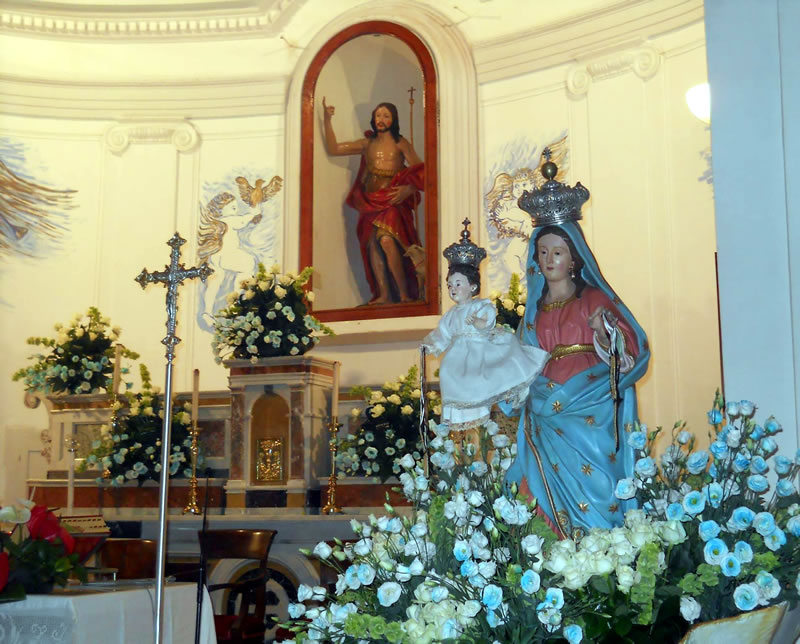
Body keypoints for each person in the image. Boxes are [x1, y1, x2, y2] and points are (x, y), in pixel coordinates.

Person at [506, 222, 650, 538]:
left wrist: (604, 333)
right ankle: (553, 544)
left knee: (600, 471)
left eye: (558, 252)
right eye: (543, 252)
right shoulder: (533, 311)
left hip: (590, 397)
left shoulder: (593, 299)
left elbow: (628, 347)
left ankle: (602, 544)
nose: (549, 259)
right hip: (543, 399)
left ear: (574, 259)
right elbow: (520, 358)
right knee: (540, 478)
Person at [422, 222, 549, 433]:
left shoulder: (480, 305)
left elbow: (487, 322)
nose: (453, 289)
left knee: (489, 372)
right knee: (447, 372)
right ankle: (462, 413)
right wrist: (429, 345)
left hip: (479, 346)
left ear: (472, 286)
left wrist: (477, 322)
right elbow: (442, 333)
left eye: (458, 284)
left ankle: (503, 396)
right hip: (458, 354)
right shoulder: (451, 314)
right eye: (450, 285)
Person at [322, 98, 425, 304]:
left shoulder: (400, 143)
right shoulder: (366, 143)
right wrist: (327, 120)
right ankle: (383, 294)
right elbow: (334, 149)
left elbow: (422, 171)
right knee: (372, 245)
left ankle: (404, 294)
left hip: (392, 200)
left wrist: (409, 189)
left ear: (393, 120)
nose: (381, 119)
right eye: (378, 115)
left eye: (386, 116)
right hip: (369, 202)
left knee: (387, 240)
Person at [197, 191, 262, 325]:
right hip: (227, 255)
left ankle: (207, 312)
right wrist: (254, 212)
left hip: (215, 258)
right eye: (232, 207)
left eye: (236, 207)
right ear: (221, 208)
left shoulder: (217, 223)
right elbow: (242, 220)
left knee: (214, 283)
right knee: (249, 263)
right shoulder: (229, 220)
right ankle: (234, 303)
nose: (236, 209)